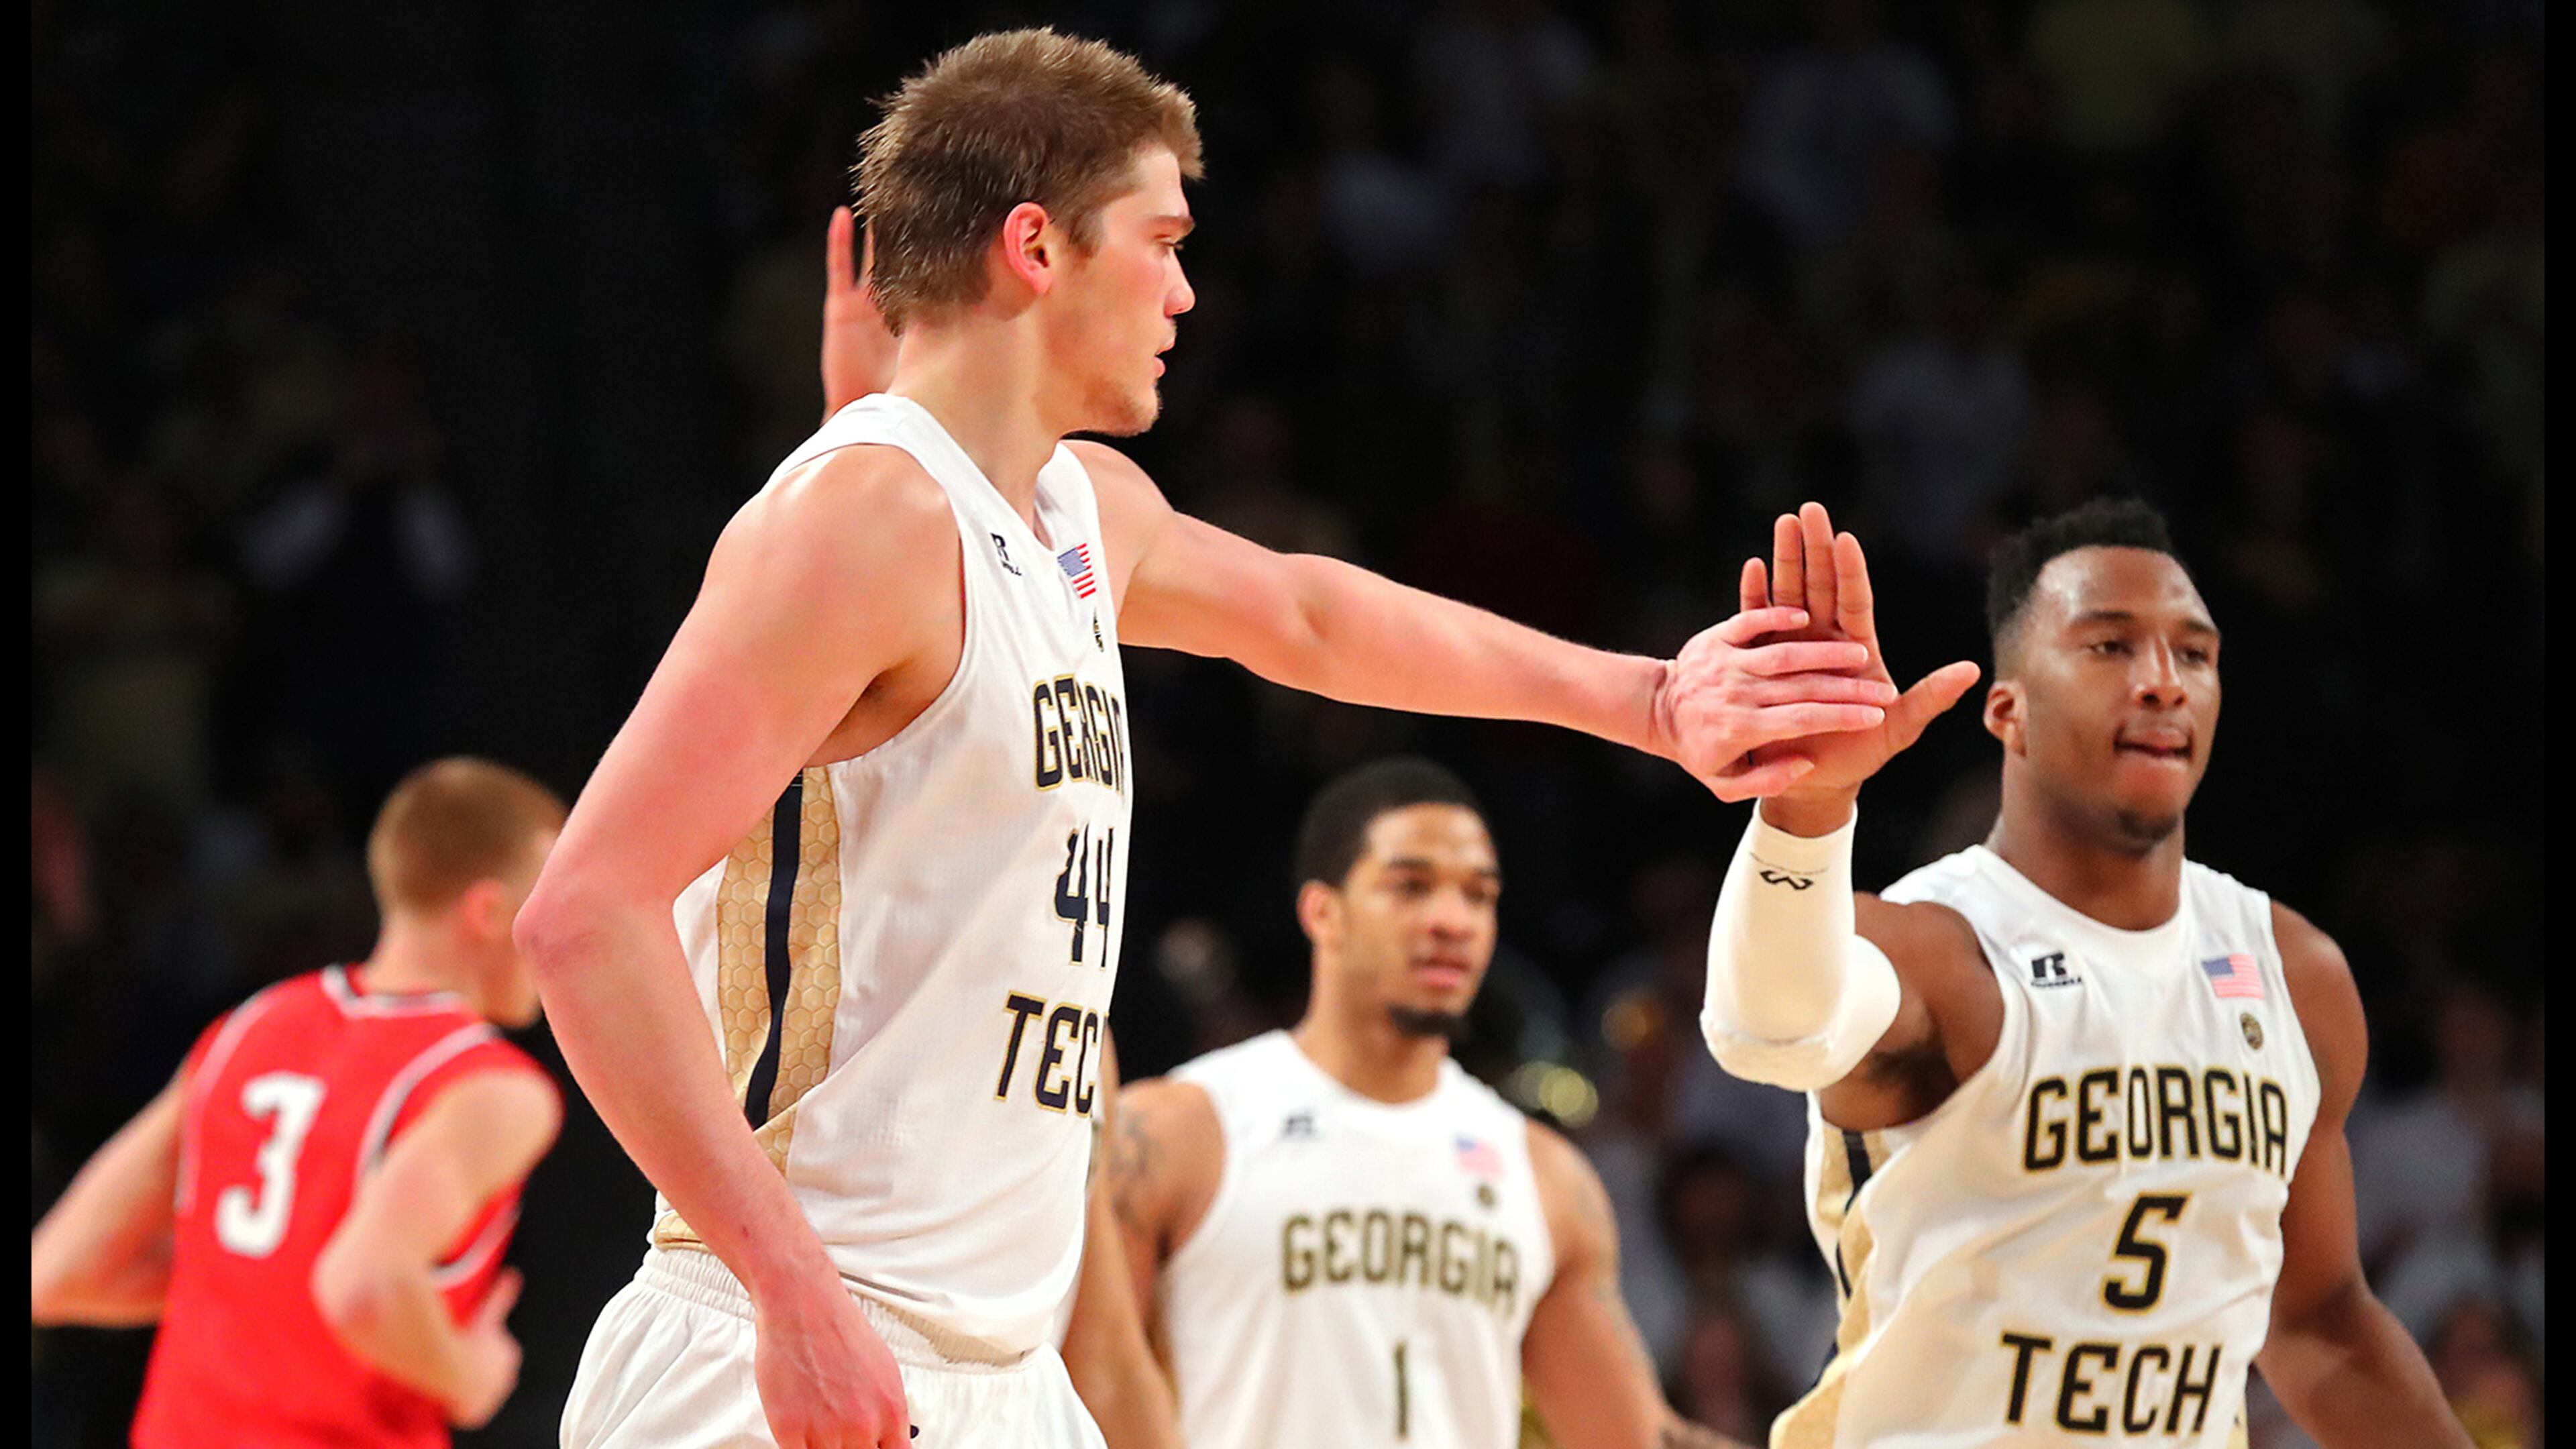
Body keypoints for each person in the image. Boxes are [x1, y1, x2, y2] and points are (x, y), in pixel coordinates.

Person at [517, 28, 1898, 1449]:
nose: (1185, 290)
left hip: (996, 1362)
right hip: (794, 1335)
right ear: (1037, 247)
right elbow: (582, 914)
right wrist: (793, 1295)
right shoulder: (870, 516)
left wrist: (1653, 702)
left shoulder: (1072, 512)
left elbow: (1308, 616)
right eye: (1163, 240)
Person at [1695, 499, 2472, 1446]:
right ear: (2008, 712)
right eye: (2110, 647)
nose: (2162, 683)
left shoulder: (2295, 973)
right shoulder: (1938, 948)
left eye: (2194, 654)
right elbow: (1766, 1026)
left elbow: (2319, 1325)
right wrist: (1808, 814)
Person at [1091, 757, 1747, 1449]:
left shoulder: (1547, 1176)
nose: (1451, 921)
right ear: (1324, 911)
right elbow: (1088, 1382)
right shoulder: (1181, 1131)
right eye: (1410, 887)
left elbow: (1636, 1438)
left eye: (1478, 895)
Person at [30, 757, 568, 1447]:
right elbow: (364, 1285)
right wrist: (469, 1375)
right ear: (488, 912)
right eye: (546, 901)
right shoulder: (491, 1086)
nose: (557, 932)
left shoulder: (248, 1026)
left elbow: (57, 1273)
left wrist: (245, 1287)